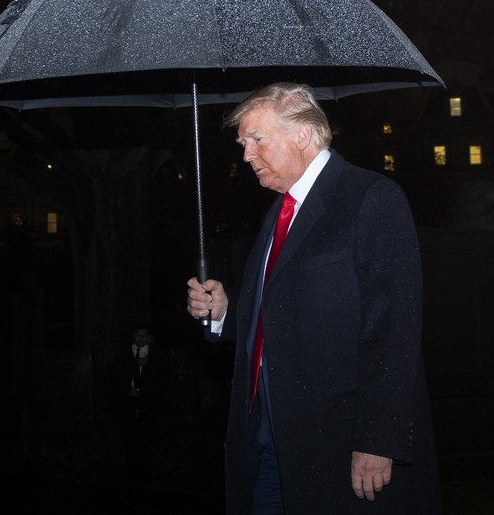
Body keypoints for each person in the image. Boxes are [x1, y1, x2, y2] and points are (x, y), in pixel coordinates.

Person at [186, 83, 442, 514]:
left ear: (302, 135)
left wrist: (378, 441)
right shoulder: (279, 211)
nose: (246, 155)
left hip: (339, 447)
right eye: (243, 143)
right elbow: (283, 313)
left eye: (257, 139)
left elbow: (394, 329)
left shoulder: (370, 198)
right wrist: (226, 311)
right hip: (271, 441)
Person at [111, 324, 168, 484]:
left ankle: (145, 470)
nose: (141, 339)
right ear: (134, 336)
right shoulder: (124, 354)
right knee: (129, 436)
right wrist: (126, 390)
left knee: (146, 437)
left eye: (144, 336)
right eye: (138, 336)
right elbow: (116, 376)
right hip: (127, 404)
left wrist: (148, 366)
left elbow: (161, 379)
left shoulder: (155, 356)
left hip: (147, 404)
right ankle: (131, 470)